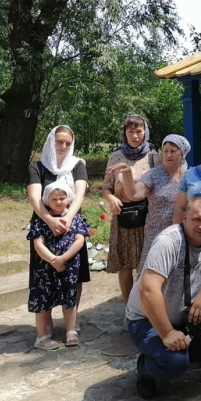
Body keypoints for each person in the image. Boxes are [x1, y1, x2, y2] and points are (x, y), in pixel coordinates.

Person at [126, 197, 201, 399]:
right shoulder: (168, 241)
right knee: (175, 364)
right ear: (184, 217)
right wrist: (167, 333)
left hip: (185, 313)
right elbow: (148, 289)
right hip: (147, 319)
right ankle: (145, 370)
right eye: (197, 220)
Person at [27, 125, 90, 336]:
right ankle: (46, 325)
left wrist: (67, 218)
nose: (63, 146)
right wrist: (49, 220)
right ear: (51, 142)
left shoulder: (77, 165)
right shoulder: (37, 167)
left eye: (67, 143)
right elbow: (35, 198)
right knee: (44, 277)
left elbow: (80, 194)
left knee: (74, 275)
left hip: (71, 226)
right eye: (59, 141)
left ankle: (71, 320)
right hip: (44, 228)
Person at [102, 114, 158, 303]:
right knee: (125, 265)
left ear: (146, 132)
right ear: (124, 133)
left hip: (148, 218)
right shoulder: (116, 157)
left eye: (139, 131)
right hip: (123, 217)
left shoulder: (153, 157)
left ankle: (147, 304)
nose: (135, 136)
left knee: (149, 263)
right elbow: (106, 187)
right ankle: (129, 308)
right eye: (131, 131)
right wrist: (111, 199)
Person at [115, 134, 190, 274]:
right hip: (156, 235)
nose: (168, 155)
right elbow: (134, 194)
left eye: (173, 151)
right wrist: (127, 174)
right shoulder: (154, 174)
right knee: (150, 276)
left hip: (183, 235)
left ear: (182, 154)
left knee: (176, 277)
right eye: (165, 151)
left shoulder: (190, 175)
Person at [27, 180, 87, 350]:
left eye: (62, 198)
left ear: (68, 199)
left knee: (70, 299)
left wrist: (63, 259)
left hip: (68, 267)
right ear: (47, 200)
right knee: (43, 301)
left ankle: (70, 331)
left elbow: (79, 240)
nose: (59, 202)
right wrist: (53, 260)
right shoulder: (40, 221)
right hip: (45, 269)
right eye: (54, 199)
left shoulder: (75, 219)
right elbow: (38, 245)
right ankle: (42, 337)